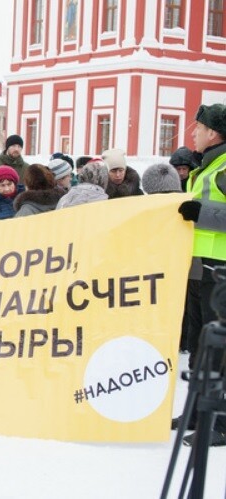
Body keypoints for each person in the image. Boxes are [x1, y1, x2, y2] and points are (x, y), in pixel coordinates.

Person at [173, 103, 226, 446]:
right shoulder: (204, 165)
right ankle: (195, 410)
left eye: (199, 127)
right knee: (196, 342)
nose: (193, 132)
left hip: (219, 270)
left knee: (218, 348)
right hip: (197, 266)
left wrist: (200, 212)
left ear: (213, 132)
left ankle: (219, 421)